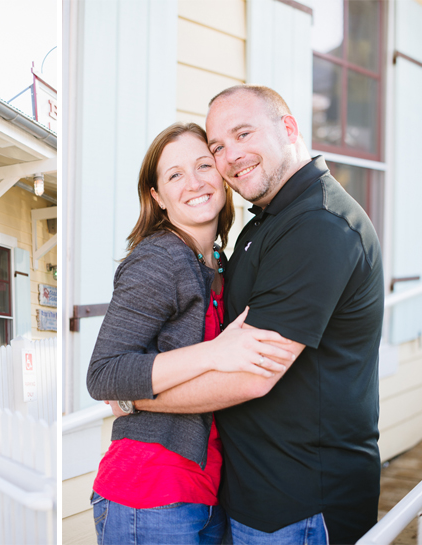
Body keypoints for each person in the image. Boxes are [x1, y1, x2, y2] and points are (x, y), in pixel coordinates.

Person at [134, 85, 385, 545]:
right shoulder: (267, 222)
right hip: (252, 497)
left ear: (288, 128)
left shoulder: (320, 225)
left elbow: (253, 375)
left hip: (303, 503)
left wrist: (137, 397)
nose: (231, 156)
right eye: (218, 147)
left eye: (243, 133)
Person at [86, 122, 295, 545]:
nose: (195, 182)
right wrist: (215, 353)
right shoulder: (158, 260)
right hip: (149, 493)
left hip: (207, 489)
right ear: (157, 197)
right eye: (175, 174)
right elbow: (103, 375)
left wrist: (131, 399)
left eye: (204, 165)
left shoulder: (217, 261)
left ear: (223, 174)